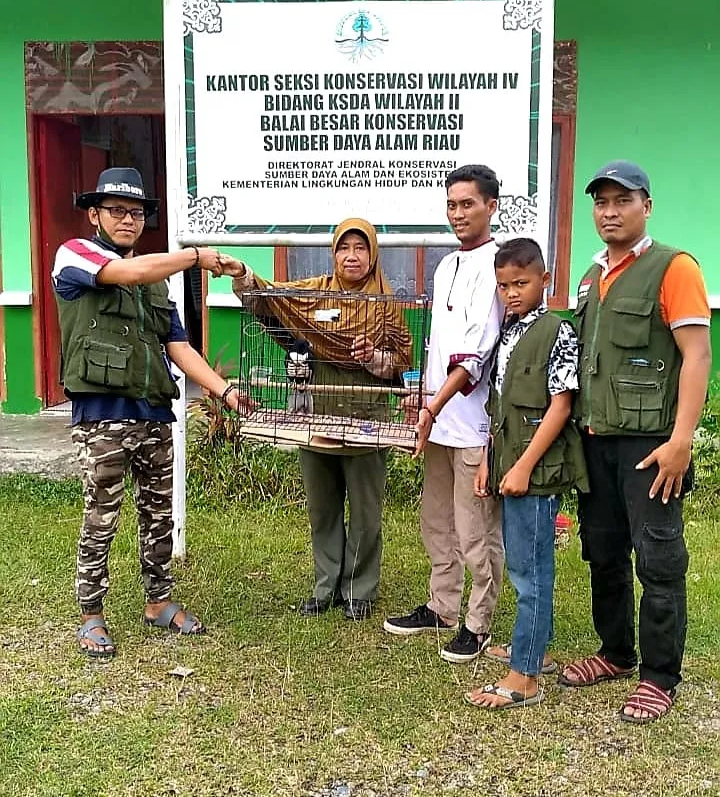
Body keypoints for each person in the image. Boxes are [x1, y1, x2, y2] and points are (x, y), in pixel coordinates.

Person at [52, 167, 246, 658]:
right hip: (102, 415)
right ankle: (90, 613)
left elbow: (177, 345)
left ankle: (158, 601)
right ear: (94, 214)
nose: (127, 220)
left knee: (159, 515)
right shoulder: (75, 255)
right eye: (116, 211)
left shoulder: (157, 283)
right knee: (102, 513)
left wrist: (224, 392)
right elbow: (127, 272)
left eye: (136, 213)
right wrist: (197, 257)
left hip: (153, 413)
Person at [560, 160, 711, 724]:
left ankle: (659, 676)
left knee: (659, 559)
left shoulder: (674, 268)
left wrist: (682, 441)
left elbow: (697, 355)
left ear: (646, 205)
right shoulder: (590, 276)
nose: (610, 211)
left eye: (622, 200)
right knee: (603, 553)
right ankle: (616, 654)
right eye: (601, 202)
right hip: (596, 441)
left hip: (650, 444)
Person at [221, 218, 413, 621]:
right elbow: (268, 298)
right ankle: (326, 586)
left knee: (365, 510)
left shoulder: (387, 302)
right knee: (322, 506)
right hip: (316, 405)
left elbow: (402, 360)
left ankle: (359, 589)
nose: (352, 256)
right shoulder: (312, 294)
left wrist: (374, 359)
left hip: (367, 409)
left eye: (361, 248)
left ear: (373, 254)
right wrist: (243, 275)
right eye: (344, 247)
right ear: (334, 253)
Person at [383, 164, 505, 663]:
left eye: (468, 204)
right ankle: (442, 605)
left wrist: (433, 406)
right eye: (452, 205)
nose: (458, 214)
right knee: (437, 521)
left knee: (475, 528)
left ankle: (478, 623)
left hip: (474, 422)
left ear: (491, 206)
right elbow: (440, 350)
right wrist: (422, 400)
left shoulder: (499, 266)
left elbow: (475, 354)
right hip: (437, 420)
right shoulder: (446, 265)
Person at [464, 238, 589, 710]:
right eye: (503, 286)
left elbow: (561, 406)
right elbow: (498, 403)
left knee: (529, 570)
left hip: (535, 470)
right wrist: (487, 459)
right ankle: (533, 646)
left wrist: (521, 466)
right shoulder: (510, 329)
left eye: (521, 283)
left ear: (544, 280)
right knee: (524, 561)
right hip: (506, 460)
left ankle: (526, 676)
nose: (511, 293)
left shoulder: (558, 330)